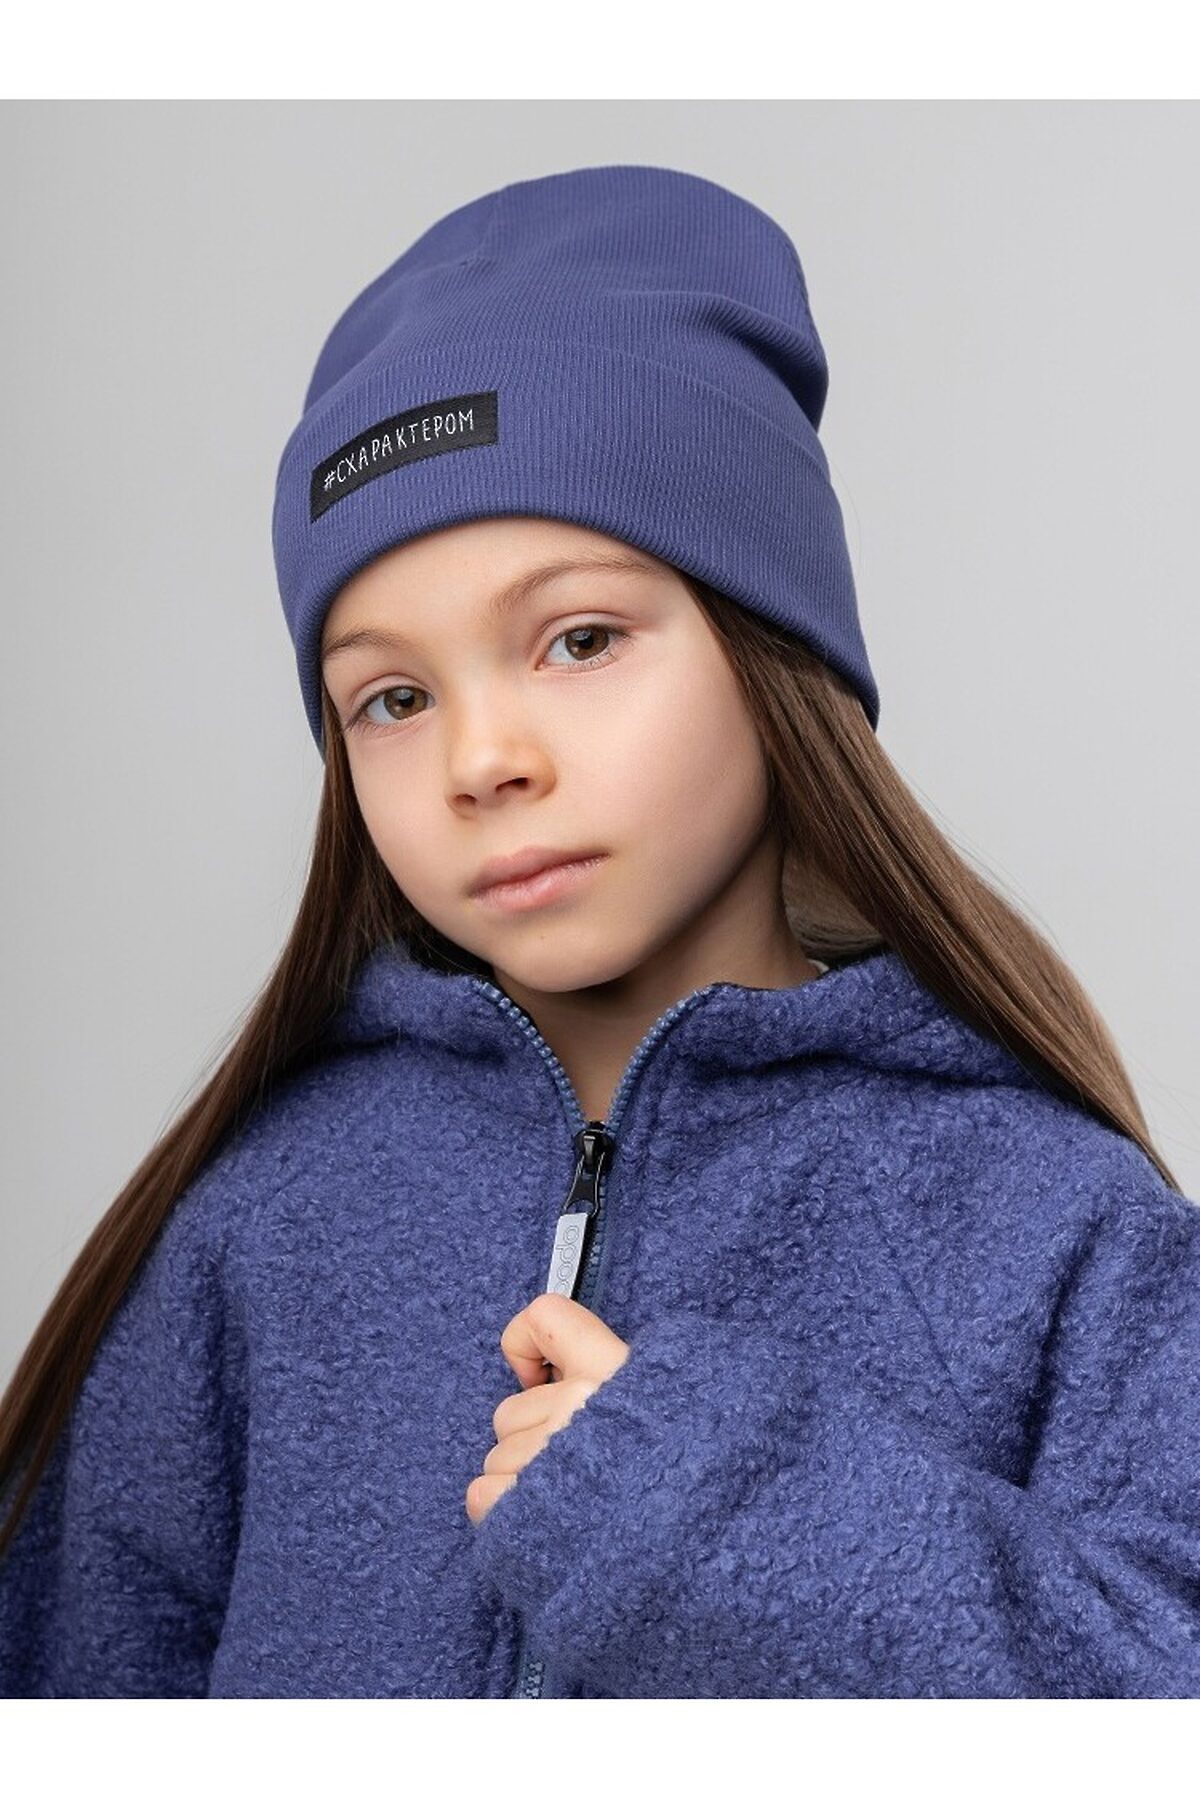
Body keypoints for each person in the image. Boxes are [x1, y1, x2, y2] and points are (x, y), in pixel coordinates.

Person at [1, 162, 1198, 1700]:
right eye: (392, 696)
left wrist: (720, 1517)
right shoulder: (256, 1226)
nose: (482, 758)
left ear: (771, 645)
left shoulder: (1050, 1221)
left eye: (578, 639)